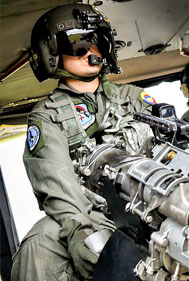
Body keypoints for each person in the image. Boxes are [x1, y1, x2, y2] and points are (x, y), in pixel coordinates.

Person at [11, 4, 155, 280]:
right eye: (79, 44)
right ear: (51, 54)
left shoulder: (135, 99)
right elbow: (59, 187)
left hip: (152, 201)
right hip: (95, 214)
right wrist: (83, 233)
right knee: (41, 242)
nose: (92, 51)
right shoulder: (47, 117)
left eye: (97, 40)